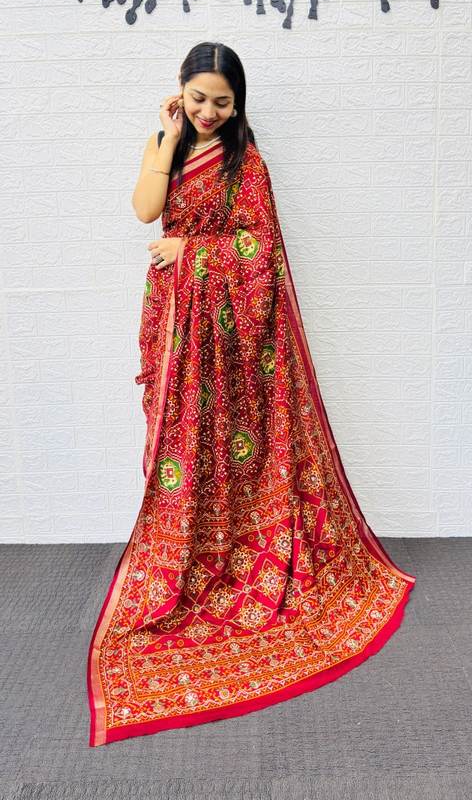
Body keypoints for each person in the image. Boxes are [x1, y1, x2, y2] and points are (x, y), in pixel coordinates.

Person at [87, 41, 416, 747]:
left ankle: (237, 546)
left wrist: (193, 251)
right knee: (177, 443)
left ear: (238, 104)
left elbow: (261, 249)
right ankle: (187, 550)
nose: (208, 112)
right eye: (197, 98)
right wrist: (166, 138)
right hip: (176, 322)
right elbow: (146, 210)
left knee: (231, 442)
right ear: (180, 92)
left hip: (232, 333)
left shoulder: (248, 163)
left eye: (222, 102)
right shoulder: (167, 143)